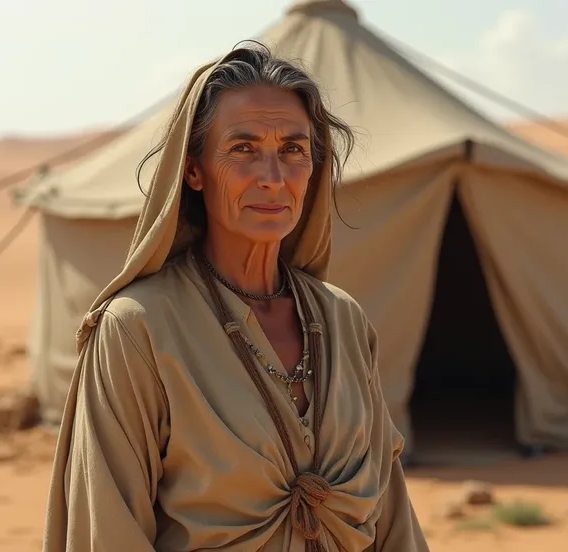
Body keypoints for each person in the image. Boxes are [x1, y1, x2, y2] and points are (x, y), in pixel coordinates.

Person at [41, 42, 429, 552]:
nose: (273, 178)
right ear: (194, 170)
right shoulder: (138, 328)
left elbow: (393, 518)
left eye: (293, 150)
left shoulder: (341, 320)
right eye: (243, 149)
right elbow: (107, 530)